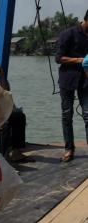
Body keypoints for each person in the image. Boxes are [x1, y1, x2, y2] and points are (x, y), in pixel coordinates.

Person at [55, 9, 88, 162]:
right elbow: (58, 58)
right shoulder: (68, 34)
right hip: (68, 79)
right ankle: (69, 148)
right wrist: (79, 60)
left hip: (86, 80)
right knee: (67, 115)